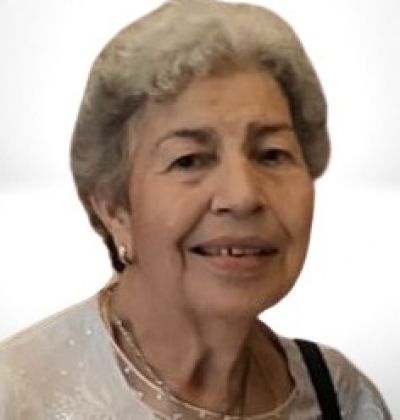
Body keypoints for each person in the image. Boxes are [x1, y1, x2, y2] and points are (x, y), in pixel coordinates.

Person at [0, 0, 392, 419]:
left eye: (272, 154)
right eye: (188, 160)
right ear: (114, 208)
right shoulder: (20, 396)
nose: (243, 196)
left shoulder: (343, 398)